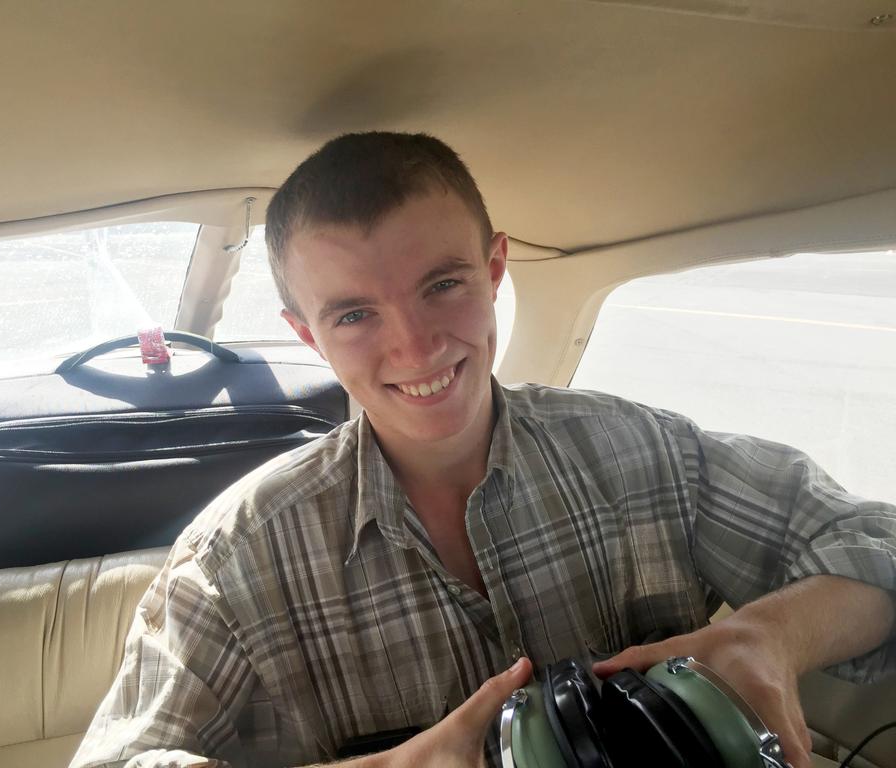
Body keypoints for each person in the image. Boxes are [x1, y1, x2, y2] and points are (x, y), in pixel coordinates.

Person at [71, 132, 896, 768]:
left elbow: (876, 541)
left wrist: (771, 637)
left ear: (495, 268)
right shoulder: (235, 563)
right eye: (355, 314)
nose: (416, 347)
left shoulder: (644, 452)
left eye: (443, 285)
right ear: (306, 335)